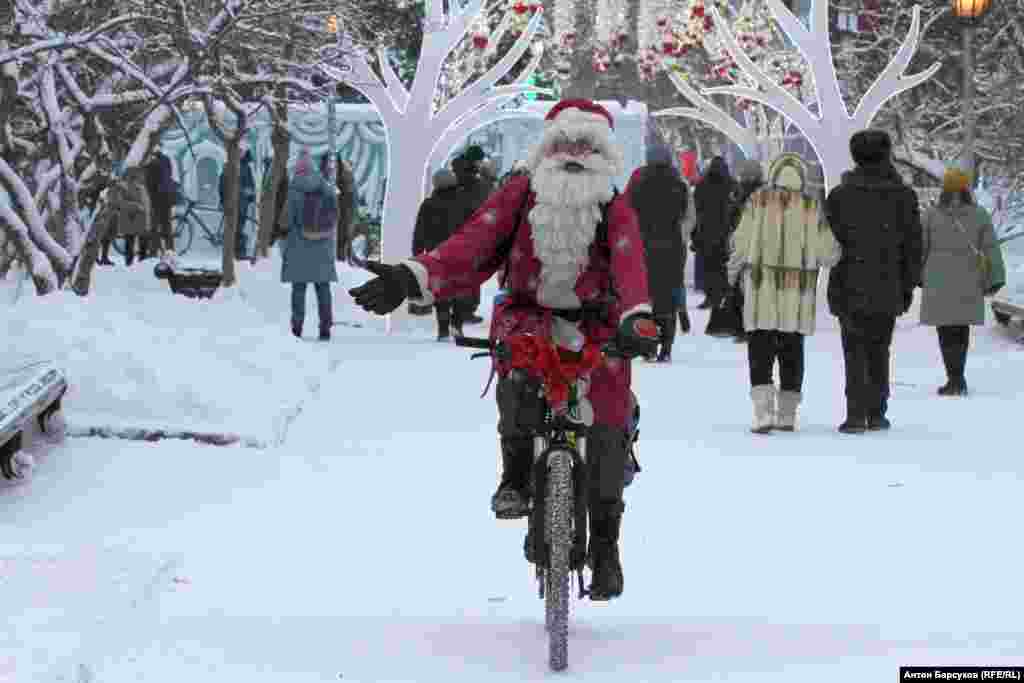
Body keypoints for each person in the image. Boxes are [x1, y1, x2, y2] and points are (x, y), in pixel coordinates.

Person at [349, 99, 659, 600]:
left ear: (604, 156)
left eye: (588, 147)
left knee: (609, 418)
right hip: (526, 312)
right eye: (565, 145)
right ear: (548, 149)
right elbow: (475, 242)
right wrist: (415, 276)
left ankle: (606, 547)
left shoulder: (613, 204)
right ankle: (515, 474)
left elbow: (630, 264)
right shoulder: (521, 191)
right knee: (517, 370)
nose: (574, 156)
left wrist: (637, 317)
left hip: (597, 321)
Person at [727, 154, 841, 433]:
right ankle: (787, 414)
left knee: (760, 349)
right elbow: (829, 253)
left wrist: (733, 271)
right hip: (796, 292)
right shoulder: (811, 207)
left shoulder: (757, 201)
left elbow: (739, 242)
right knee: (792, 350)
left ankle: (763, 412)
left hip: (761, 286)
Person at [825, 130, 923, 433]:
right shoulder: (903, 196)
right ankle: (877, 411)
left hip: (848, 281)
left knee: (853, 349)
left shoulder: (840, 196)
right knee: (880, 348)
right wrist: (908, 284)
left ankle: (855, 414)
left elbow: (829, 243)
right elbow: (913, 245)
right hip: (888, 282)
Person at [919, 167, 1006, 396]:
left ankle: (953, 378)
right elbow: (991, 249)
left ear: (944, 190)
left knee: (945, 330)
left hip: (938, 279)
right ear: (966, 189)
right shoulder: (979, 215)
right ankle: (958, 377)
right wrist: (996, 277)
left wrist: (916, 276)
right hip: (969, 278)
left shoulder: (931, 215)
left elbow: (921, 248)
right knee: (961, 329)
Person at [628, 142, 689, 362]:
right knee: (667, 296)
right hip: (671, 246)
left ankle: (649, 344)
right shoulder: (678, 185)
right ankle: (667, 347)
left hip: (644, 245)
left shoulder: (638, 184)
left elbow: (629, 212)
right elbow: (683, 214)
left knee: (648, 296)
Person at [281, 149, 340, 341]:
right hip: (323, 247)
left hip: (299, 247)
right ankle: (325, 328)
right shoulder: (326, 188)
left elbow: (285, 221)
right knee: (323, 289)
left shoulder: (294, 190)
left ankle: (297, 329)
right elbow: (335, 215)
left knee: (299, 290)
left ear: (297, 170)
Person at [412, 168, 469, 340]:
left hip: (437, 255)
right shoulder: (464, 203)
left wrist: (417, 253)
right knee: (460, 289)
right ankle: (457, 325)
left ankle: (443, 330)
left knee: (441, 291)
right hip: (461, 253)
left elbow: (419, 232)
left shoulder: (428, 204)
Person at [726, 160, 767, 344]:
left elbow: (731, 219)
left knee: (740, 289)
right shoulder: (768, 195)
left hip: (744, 244)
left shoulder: (739, 194)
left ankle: (743, 328)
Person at [693, 156, 736, 311]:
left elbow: (696, 207)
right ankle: (724, 295)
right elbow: (736, 207)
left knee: (709, 265)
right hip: (726, 232)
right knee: (724, 265)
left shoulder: (702, 184)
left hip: (706, 231)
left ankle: (711, 297)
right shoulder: (731, 184)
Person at [108, 164, 152, 266]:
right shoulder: (124, 187)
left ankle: (142, 264)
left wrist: (148, 222)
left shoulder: (141, 188)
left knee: (142, 244)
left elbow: (147, 206)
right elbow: (120, 203)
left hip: (141, 220)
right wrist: (136, 206)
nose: (141, 177)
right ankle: (129, 264)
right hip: (130, 219)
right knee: (130, 243)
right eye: (138, 175)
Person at [219, 147, 256, 259]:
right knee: (237, 227)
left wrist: (250, 197)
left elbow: (250, 185)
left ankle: (234, 251)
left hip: (237, 203)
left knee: (235, 227)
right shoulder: (237, 167)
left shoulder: (233, 166)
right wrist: (250, 197)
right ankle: (237, 252)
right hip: (237, 203)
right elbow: (222, 185)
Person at [144, 142, 177, 255]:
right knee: (166, 226)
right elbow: (170, 175)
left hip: (156, 198)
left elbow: (149, 182)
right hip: (167, 197)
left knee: (154, 226)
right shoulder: (166, 159)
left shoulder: (151, 162)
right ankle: (170, 250)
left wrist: (149, 195)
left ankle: (153, 251)